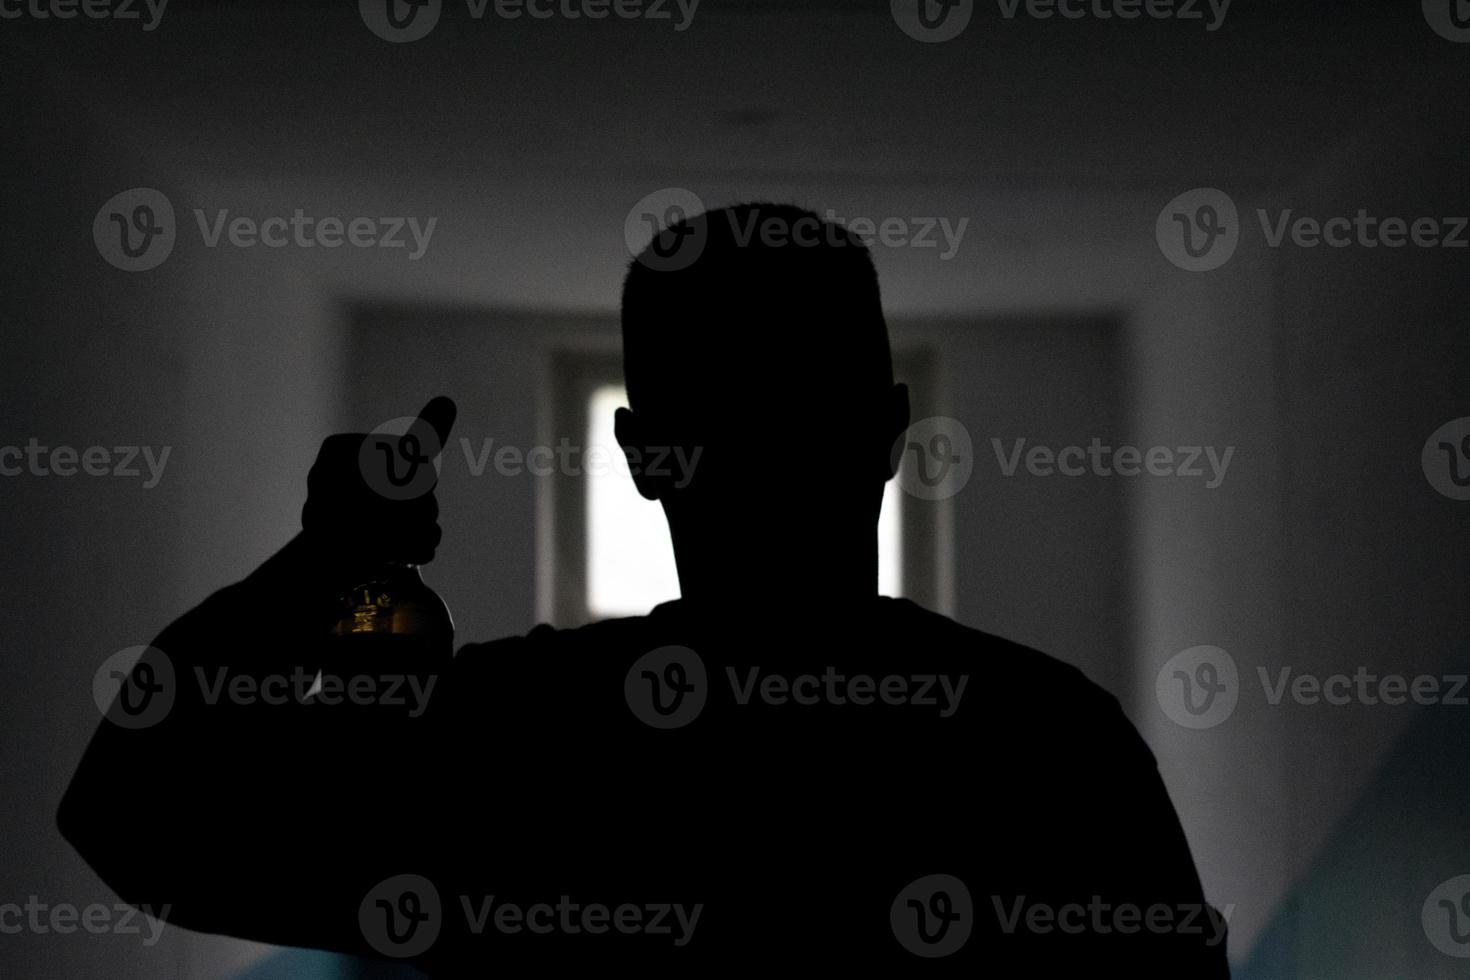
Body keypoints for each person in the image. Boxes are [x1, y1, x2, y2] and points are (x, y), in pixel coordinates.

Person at [60, 203, 1230, 975]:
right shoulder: (1053, 743)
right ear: (888, 432)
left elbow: (130, 815)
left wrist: (319, 569)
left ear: (642, 455)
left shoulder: (522, 738)